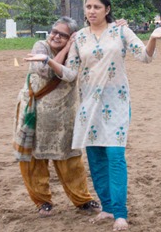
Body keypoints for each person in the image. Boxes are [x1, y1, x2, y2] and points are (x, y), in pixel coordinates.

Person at [25, 0, 161, 231]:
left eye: (96, 7)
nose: (91, 11)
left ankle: (120, 214)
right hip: (88, 107)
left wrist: (153, 38)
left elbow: (145, 57)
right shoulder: (79, 38)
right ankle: (106, 208)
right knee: (96, 160)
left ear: (107, 9)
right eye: (88, 7)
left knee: (115, 157)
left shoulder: (121, 31)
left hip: (117, 104)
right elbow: (70, 73)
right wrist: (48, 61)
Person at [14, 17, 101, 217]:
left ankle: (82, 200)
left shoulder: (76, 51)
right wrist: (60, 51)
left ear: (71, 37)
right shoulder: (40, 46)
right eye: (54, 31)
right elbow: (42, 71)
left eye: (62, 35)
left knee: (70, 158)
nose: (55, 36)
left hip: (63, 116)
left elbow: (69, 75)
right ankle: (42, 202)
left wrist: (68, 49)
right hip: (34, 113)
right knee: (34, 159)